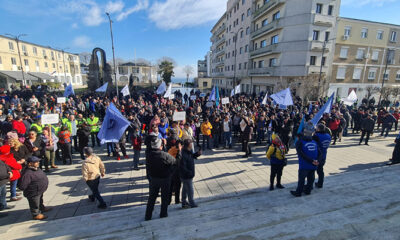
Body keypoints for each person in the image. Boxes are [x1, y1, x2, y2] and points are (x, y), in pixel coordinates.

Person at [145, 135, 178, 221]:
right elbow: (175, 162)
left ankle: (148, 216)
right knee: (165, 197)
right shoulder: (164, 155)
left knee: (152, 198)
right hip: (165, 179)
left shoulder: (149, 155)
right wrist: (170, 172)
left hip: (154, 179)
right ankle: (163, 213)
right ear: (160, 146)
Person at [290, 121, 320, 197]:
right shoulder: (314, 141)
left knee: (302, 180)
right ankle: (308, 190)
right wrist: (317, 160)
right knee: (311, 178)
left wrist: (313, 160)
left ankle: (299, 192)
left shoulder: (300, 142)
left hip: (304, 165)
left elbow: (301, 154)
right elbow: (319, 152)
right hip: (313, 164)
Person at [180, 139, 201, 208]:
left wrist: (197, 154)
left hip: (188, 173)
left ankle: (184, 202)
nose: (192, 145)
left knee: (185, 188)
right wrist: (189, 173)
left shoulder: (188, 151)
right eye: (191, 144)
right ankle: (191, 202)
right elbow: (183, 166)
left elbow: (191, 156)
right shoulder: (184, 154)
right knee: (190, 189)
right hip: (186, 175)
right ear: (189, 145)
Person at [313, 124, 332, 188]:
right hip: (324, 155)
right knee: (320, 171)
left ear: (318, 129)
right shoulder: (328, 135)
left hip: (316, 156)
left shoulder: (317, 136)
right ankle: (320, 183)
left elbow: (313, 143)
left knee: (312, 171)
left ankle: (309, 185)